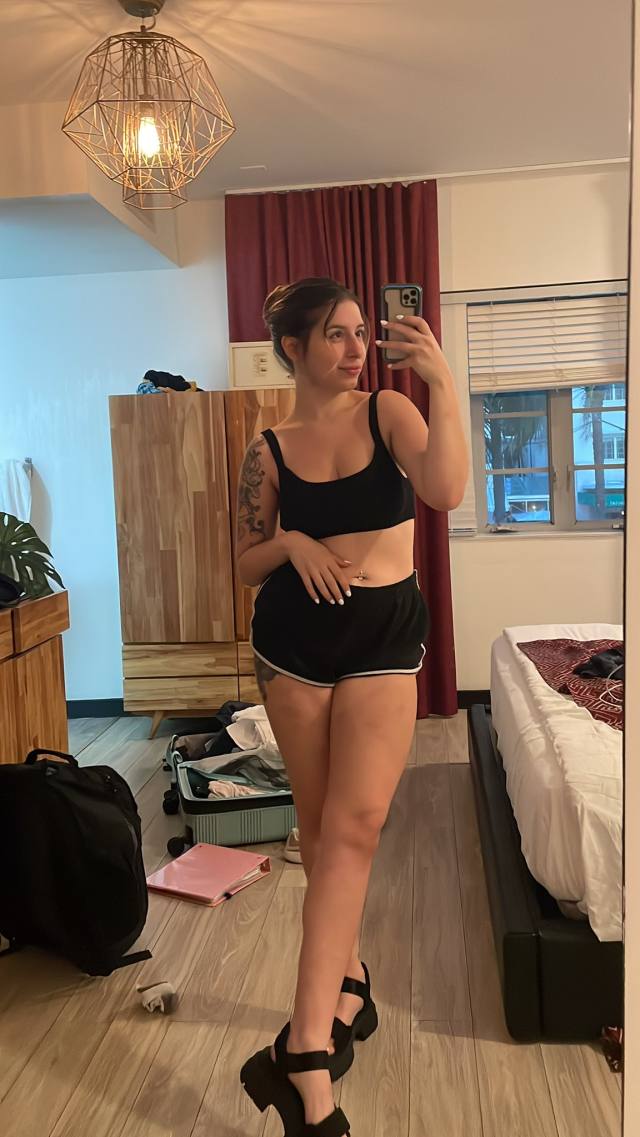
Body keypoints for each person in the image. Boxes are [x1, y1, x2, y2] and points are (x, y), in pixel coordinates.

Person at [236, 277, 468, 1136]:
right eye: (335, 334)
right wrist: (292, 541)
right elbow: (246, 561)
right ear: (293, 348)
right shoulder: (267, 448)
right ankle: (349, 982)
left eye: (361, 331)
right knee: (321, 830)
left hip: (381, 636)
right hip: (292, 645)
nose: (355, 346)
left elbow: (446, 489)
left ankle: (301, 1051)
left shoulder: (390, 412)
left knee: (355, 827)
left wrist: (442, 380)